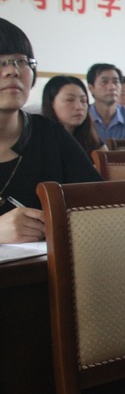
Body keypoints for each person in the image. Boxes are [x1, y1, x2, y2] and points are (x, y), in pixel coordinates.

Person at [0, 18, 101, 244]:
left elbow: (100, 204)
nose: (12, 71)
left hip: (47, 266)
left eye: (21, 61)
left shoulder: (50, 134)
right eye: (1, 62)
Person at [41, 75, 106, 157]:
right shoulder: (39, 141)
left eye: (83, 101)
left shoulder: (92, 142)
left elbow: (108, 164)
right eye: (70, 100)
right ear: (51, 103)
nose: (79, 107)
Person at [87, 63, 125, 140]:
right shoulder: (83, 117)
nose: (112, 87)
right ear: (91, 88)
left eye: (115, 82)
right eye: (104, 82)